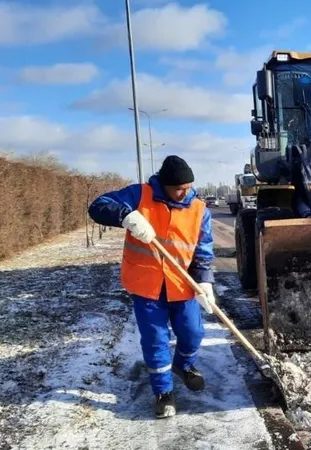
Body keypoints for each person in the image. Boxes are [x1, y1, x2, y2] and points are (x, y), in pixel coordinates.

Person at [88, 155, 216, 418]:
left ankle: (183, 365)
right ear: (164, 185)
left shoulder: (200, 209)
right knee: (156, 340)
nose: (185, 192)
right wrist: (126, 216)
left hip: (182, 284)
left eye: (188, 187)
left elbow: (202, 251)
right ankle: (163, 392)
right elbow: (98, 206)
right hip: (147, 285)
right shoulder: (139, 195)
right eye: (179, 188)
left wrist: (204, 281)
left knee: (192, 332)